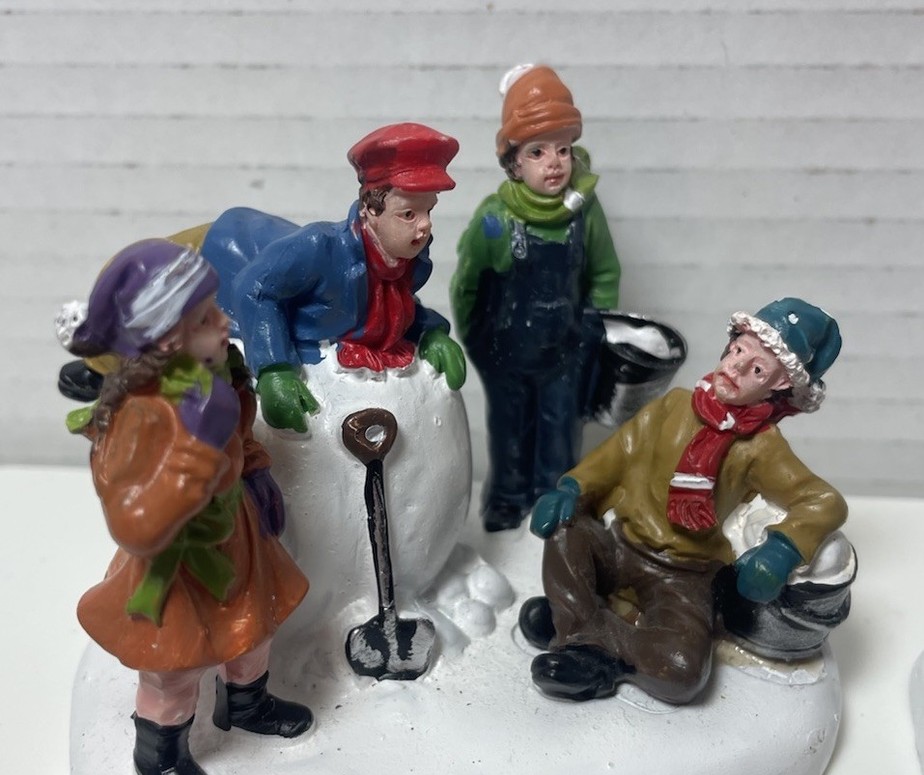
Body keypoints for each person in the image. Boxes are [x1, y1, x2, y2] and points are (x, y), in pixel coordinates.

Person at [65, 240, 312, 775]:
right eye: (204, 318)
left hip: (236, 534)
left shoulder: (217, 374)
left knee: (256, 627)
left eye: (215, 308)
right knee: (173, 668)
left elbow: (241, 433)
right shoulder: (140, 414)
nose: (223, 322)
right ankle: (160, 753)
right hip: (176, 563)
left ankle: (246, 703)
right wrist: (191, 464)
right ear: (163, 340)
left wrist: (254, 469)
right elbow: (132, 522)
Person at [519, 297, 848, 705]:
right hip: (621, 545)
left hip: (683, 574)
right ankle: (583, 626)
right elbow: (616, 456)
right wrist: (571, 489)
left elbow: (822, 500)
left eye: (757, 370)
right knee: (566, 534)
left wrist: (783, 548)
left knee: (682, 673)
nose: (736, 368)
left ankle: (583, 631)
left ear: (779, 385)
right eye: (738, 351)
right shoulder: (674, 406)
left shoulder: (761, 447)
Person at [198, 122, 465, 432]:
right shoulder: (320, 246)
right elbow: (255, 289)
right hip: (230, 257)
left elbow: (387, 307)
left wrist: (429, 331)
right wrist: (274, 369)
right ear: (370, 210)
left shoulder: (404, 259)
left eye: (429, 211)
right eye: (409, 214)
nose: (425, 225)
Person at [451, 65, 621, 531]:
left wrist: (594, 328)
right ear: (514, 163)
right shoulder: (495, 220)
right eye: (537, 151)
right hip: (506, 352)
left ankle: (554, 508)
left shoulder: (584, 212)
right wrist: (478, 343)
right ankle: (507, 502)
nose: (554, 163)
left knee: (560, 431)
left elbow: (605, 271)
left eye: (563, 149)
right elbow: (467, 284)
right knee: (510, 430)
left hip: (566, 351)